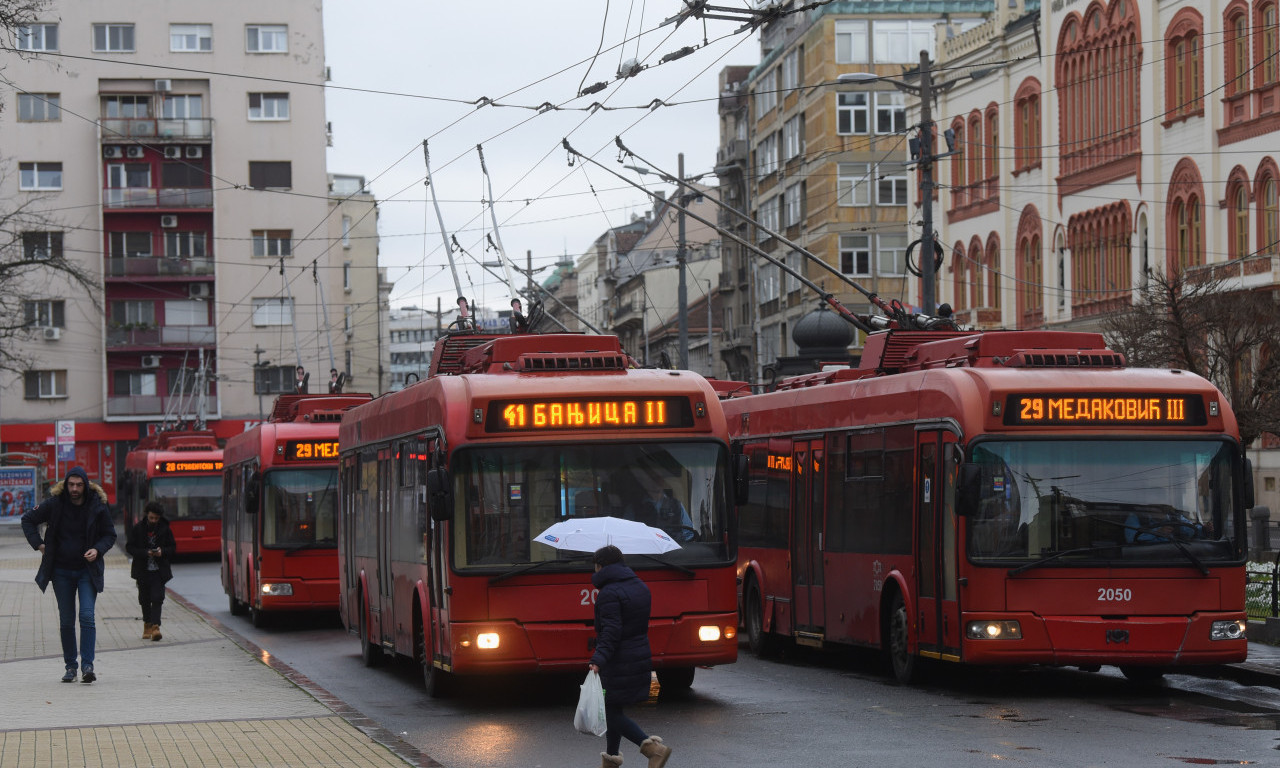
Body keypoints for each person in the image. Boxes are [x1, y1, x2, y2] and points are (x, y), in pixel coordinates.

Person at [20, 466, 117, 683]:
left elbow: (110, 534)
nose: (74, 489)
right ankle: (71, 666)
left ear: (85, 485)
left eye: (78, 485)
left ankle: (88, 666)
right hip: (61, 570)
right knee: (66, 619)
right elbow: (28, 519)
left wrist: (98, 549)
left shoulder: (97, 505)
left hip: (87, 571)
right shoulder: (55, 503)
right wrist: (39, 545)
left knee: (86, 615)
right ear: (66, 485)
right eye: (71, 485)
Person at [588, 545, 672, 768]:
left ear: (601, 566)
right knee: (613, 707)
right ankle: (611, 761)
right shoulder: (640, 586)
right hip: (639, 654)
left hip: (618, 659)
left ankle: (654, 750)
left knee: (609, 712)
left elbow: (611, 632)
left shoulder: (608, 594)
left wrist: (598, 659)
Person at [126, 500, 177, 641]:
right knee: (144, 599)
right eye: (151, 518)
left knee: (157, 598)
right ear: (146, 515)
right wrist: (145, 553)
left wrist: (162, 552)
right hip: (142, 570)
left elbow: (173, 548)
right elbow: (129, 547)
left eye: (156, 518)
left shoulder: (165, 529)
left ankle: (156, 627)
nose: (153, 520)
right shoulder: (138, 528)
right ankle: (147, 624)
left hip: (159, 571)